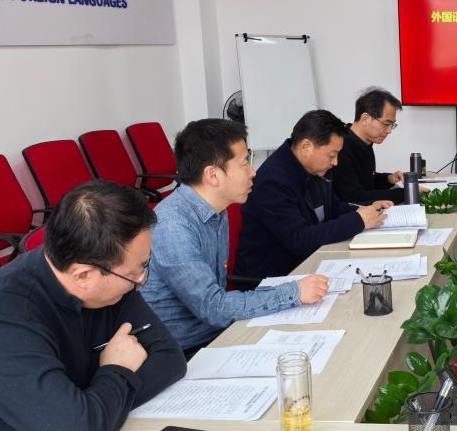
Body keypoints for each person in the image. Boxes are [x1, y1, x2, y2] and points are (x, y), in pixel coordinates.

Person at [0, 181, 186, 431]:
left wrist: (87, 412)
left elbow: (169, 359)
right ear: (83, 275)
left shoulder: (110, 282)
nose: (141, 281)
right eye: (135, 273)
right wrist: (115, 370)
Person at [142, 119, 331, 356]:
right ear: (213, 175)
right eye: (244, 163)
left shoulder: (216, 210)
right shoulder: (173, 226)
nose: (253, 172)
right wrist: (293, 292)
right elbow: (213, 307)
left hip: (218, 334)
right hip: (184, 353)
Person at [236, 109, 392, 278]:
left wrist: (367, 210)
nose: (335, 162)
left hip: (311, 264)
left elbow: (334, 207)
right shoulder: (272, 181)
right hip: (273, 278)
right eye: (332, 155)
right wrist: (358, 220)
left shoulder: (314, 168)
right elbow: (298, 240)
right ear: (306, 147)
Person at [331, 88, 408, 205]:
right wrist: (406, 193)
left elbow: (366, 180)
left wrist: (389, 179)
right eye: (386, 124)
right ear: (365, 118)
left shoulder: (364, 142)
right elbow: (354, 196)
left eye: (392, 125)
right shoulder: (341, 146)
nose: (389, 131)